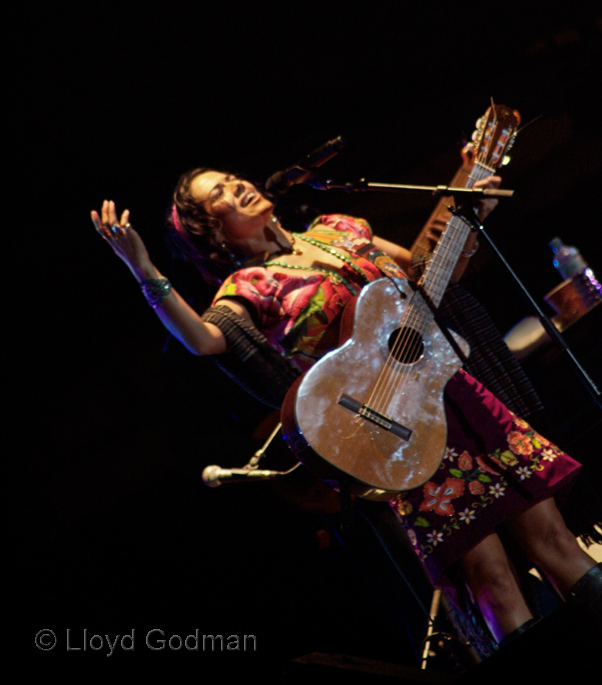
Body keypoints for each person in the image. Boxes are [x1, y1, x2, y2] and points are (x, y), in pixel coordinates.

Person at [91, 167, 601, 648]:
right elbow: (201, 340)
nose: (236, 185)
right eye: (217, 194)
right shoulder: (249, 288)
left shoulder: (337, 228)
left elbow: (423, 277)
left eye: (231, 178)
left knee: (556, 541)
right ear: (211, 232)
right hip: (397, 429)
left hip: (455, 390)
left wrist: (466, 213)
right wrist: (142, 268)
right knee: (491, 577)